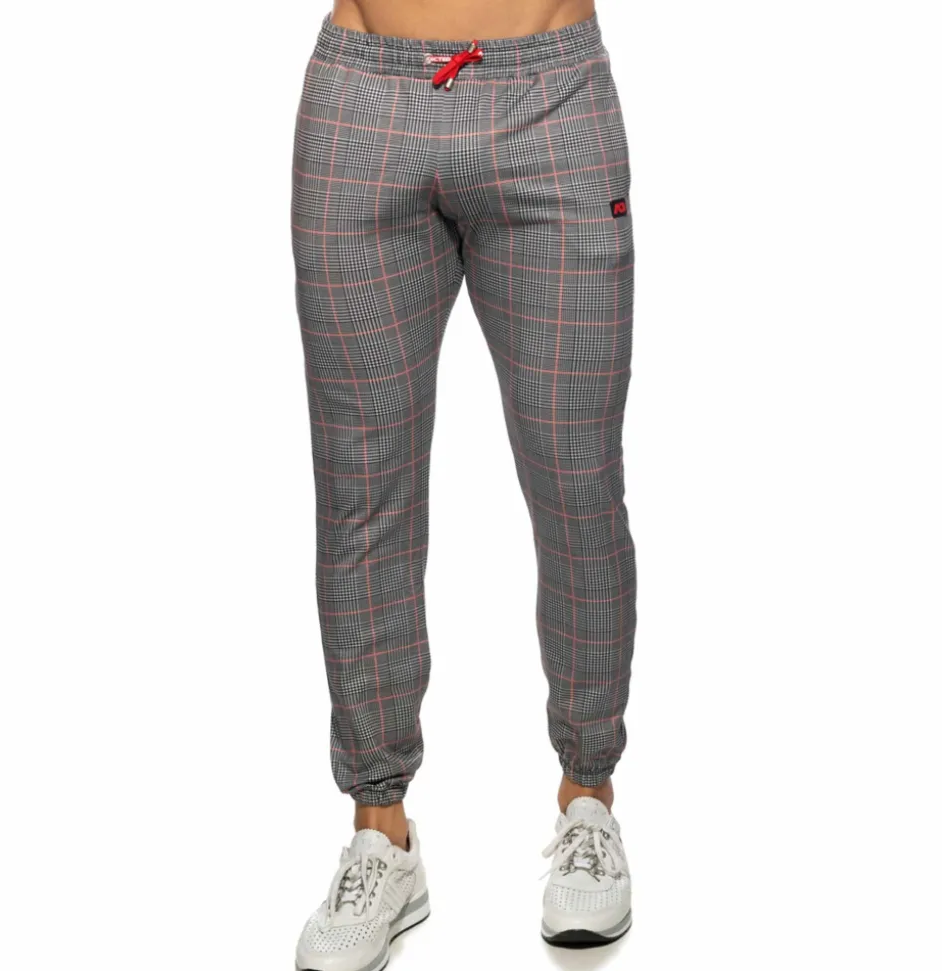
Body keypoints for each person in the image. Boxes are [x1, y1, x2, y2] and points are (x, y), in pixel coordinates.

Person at [290, 1, 636, 966]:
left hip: (551, 99)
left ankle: (589, 799)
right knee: (362, 490)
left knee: (576, 481)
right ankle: (381, 834)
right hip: (362, 99)